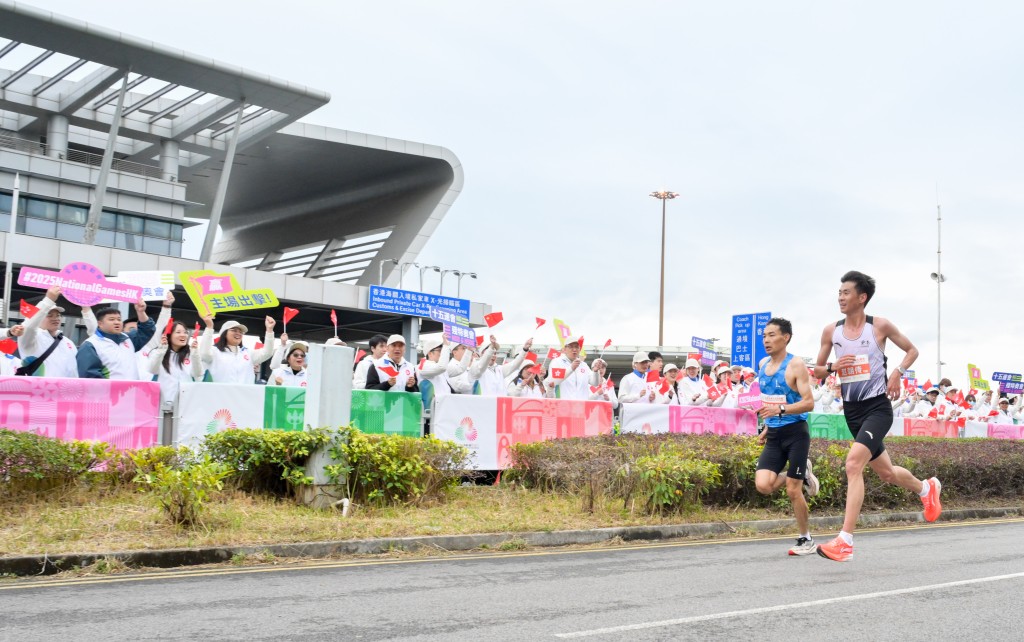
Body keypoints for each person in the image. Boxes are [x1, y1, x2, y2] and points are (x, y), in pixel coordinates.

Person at [814, 270, 941, 562]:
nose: (840, 297)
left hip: (877, 407)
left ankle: (845, 541)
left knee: (853, 464)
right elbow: (818, 370)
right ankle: (926, 487)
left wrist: (897, 373)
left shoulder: (879, 326)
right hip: (852, 410)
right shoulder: (830, 331)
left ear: (862, 297)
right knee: (885, 473)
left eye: (846, 293)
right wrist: (834, 367)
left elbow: (912, 350)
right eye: (839, 292)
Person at [748, 318, 819, 556]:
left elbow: (808, 402)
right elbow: (771, 402)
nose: (766, 340)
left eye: (771, 335)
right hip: (775, 434)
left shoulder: (795, 365)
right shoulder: (762, 366)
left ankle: (806, 539)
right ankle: (802, 472)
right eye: (764, 336)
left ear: (785, 337)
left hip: (796, 433)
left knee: (792, 490)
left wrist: (780, 411)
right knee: (763, 485)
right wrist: (768, 427)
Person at [148, 321, 203, 443]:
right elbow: (152, 369)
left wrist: (194, 353)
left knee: (183, 439)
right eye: (178, 332)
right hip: (165, 405)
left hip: (186, 405)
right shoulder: (157, 352)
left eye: (185, 332)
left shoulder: (190, 353)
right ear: (168, 335)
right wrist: (162, 349)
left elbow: (198, 374)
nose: (183, 335)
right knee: (165, 438)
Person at [77, 300, 157, 380]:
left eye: (119, 319)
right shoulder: (91, 345)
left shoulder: (128, 339)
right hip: (108, 392)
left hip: (132, 390)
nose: (117, 322)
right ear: (100, 324)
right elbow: (89, 376)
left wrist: (141, 312)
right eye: (111, 319)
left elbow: (148, 330)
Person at [16, 287, 80, 378]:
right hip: (39, 390)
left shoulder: (68, 342)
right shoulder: (31, 339)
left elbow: (75, 370)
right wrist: (48, 300)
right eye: (50, 315)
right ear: (39, 318)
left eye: (58, 315)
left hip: (67, 390)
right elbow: (28, 327)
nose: (56, 318)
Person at [198, 315, 277, 384]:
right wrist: (209, 327)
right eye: (234, 330)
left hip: (244, 398)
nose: (238, 333)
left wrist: (269, 330)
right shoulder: (215, 352)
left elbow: (267, 353)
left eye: (240, 332)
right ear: (224, 333)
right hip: (222, 398)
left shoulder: (247, 353)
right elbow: (204, 354)